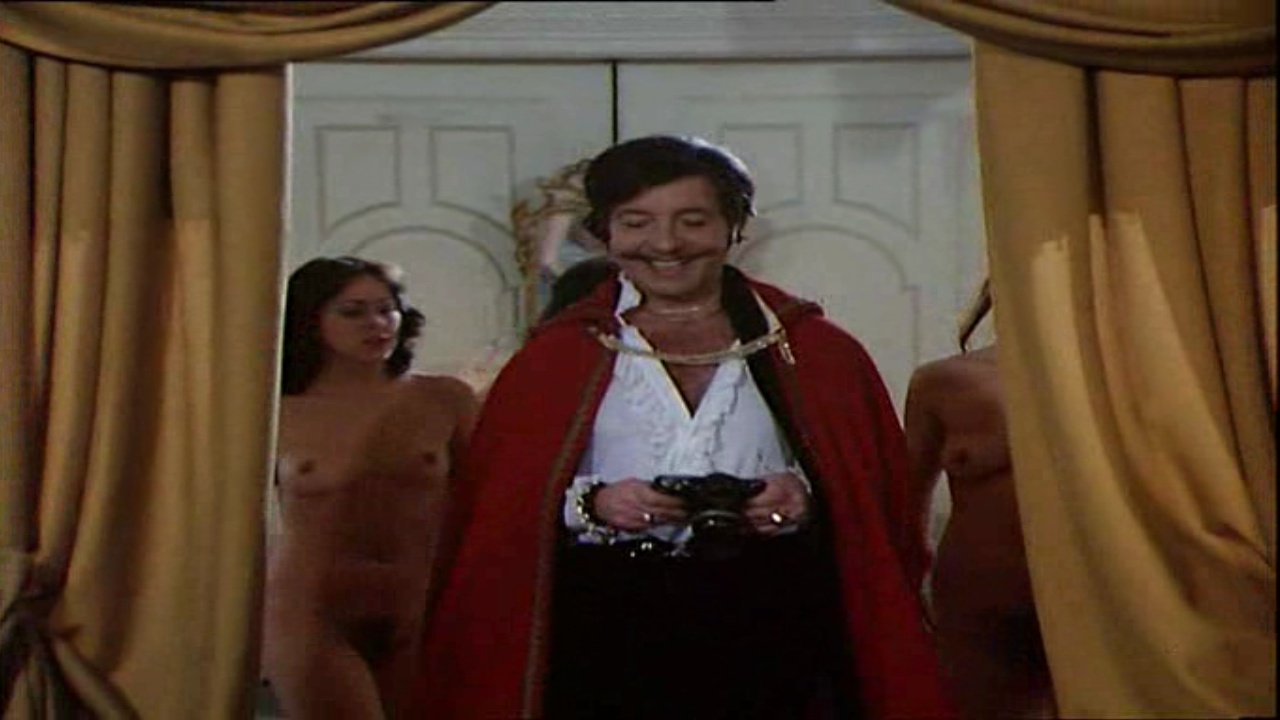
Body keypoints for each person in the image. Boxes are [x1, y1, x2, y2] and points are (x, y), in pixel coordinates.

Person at [413, 135, 954, 719]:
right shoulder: (554, 357)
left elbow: (873, 506)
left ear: (733, 227)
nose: (666, 244)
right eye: (636, 222)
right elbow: (500, 516)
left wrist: (803, 496)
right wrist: (594, 504)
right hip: (605, 625)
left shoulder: (815, 350)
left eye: (693, 221)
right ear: (605, 232)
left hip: (777, 622)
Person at [261, 256, 478, 719]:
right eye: (352, 312)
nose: (376, 324)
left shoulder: (444, 399)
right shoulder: (276, 410)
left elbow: (488, 499)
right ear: (310, 321)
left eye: (386, 309)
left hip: (421, 605)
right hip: (313, 611)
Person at [903, 279, 1056, 719]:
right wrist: (905, 595)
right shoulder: (943, 382)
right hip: (979, 603)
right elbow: (903, 503)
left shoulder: (1117, 385)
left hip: (1088, 596)